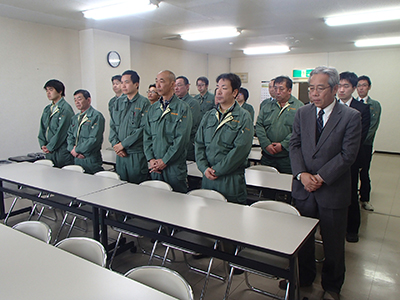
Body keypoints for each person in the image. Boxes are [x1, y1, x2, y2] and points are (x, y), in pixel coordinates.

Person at [290, 66, 362, 300]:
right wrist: (301, 174)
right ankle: (304, 276)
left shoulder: (351, 116)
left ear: (334, 89)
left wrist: (320, 178)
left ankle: (332, 285)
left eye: (320, 88)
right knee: (303, 240)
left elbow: (348, 155)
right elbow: (295, 145)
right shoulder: (302, 113)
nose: (314, 94)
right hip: (304, 188)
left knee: (332, 243)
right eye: (311, 89)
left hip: (332, 189)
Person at [195, 73, 253, 204]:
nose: (219, 91)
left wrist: (218, 170)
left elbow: (240, 150)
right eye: (217, 87)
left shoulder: (244, 117)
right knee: (207, 216)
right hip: (208, 176)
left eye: (224, 88)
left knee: (230, 219)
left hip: (230, 179)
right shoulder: (209, 115)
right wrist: (204, 168)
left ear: (235, 92)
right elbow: (199, 144)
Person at [144, 70, 192, 193]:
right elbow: (147, 136)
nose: (158, 85)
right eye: (156, 81)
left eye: (162, 81)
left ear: (172, 84)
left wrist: (165, 161)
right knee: (156, 201)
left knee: (177, 204)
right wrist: (151, 159)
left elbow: (181, 139)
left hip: (174, 167)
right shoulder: (153, 109)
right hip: (155, 166)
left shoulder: (183, 108)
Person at [338, 71, 370, 243]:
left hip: (350, 160)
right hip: (330, 159)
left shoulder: (362, 109)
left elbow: (359, 137)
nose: (342, 90)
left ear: (354, 88)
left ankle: (352, 229)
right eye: (340, 86)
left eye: (346, 86)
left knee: (350, 194)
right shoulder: (331, 106)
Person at [109, 70, 150, 183]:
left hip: (135, 154)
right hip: (120, 154)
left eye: (126, 82)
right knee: (120, 186)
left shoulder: (144, 103)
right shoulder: (118, 102)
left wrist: (123, 144)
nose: (123, 85)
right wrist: (116, 145)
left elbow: (143, 129)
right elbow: (112, 125)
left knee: (136, 187)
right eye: (122, 82)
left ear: (136, 84)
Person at [256, 76, 303, 174]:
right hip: (267, 156)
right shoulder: (266, 106)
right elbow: (259, 125)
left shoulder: (299, 107)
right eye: (275, 88)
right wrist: (266, 144)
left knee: (286, 186)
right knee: (266, 185)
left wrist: (283, 145)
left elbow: (299, 130)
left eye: (281, 89)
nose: (277, 92)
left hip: (287, 158)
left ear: (289, 90)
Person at [357, 75, 381, 211]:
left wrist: (359, 142)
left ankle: (365, 199)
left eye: (364, 85)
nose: (361, 88)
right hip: (352, 145)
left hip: (365, 145)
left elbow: (372, 127)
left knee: (364, 172)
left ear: (369, 87)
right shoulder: (353, 103)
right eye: (359, 85)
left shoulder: (374, 105)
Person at [67, 89, 105, 174]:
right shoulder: (75, 118)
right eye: (75, 100)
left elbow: (93, 139)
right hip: (76, 157)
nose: (77, 102)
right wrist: (73, 151)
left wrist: (77, 150)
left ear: (88, 100)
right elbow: (70, 135)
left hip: (90, 158)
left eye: (79, 99)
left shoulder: (96, 116)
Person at [38, 79, 74, 168]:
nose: (48, 93)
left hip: (61, 150)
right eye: (47, 90)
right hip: (50, 150)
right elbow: (42, 128)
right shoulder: (47, 109)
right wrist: (43, 144)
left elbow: (61, 132)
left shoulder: (65, 109)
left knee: (63, 177)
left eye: (51, 90)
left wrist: (50, 147)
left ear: (60, 91)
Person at [174, 76, 201, 161]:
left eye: (179, 85)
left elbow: (189, 124)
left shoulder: (193, 103)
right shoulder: (173, 103)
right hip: (174, 143)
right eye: (175, 86)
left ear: (187, 86)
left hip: (188, 142)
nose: (176, 88)